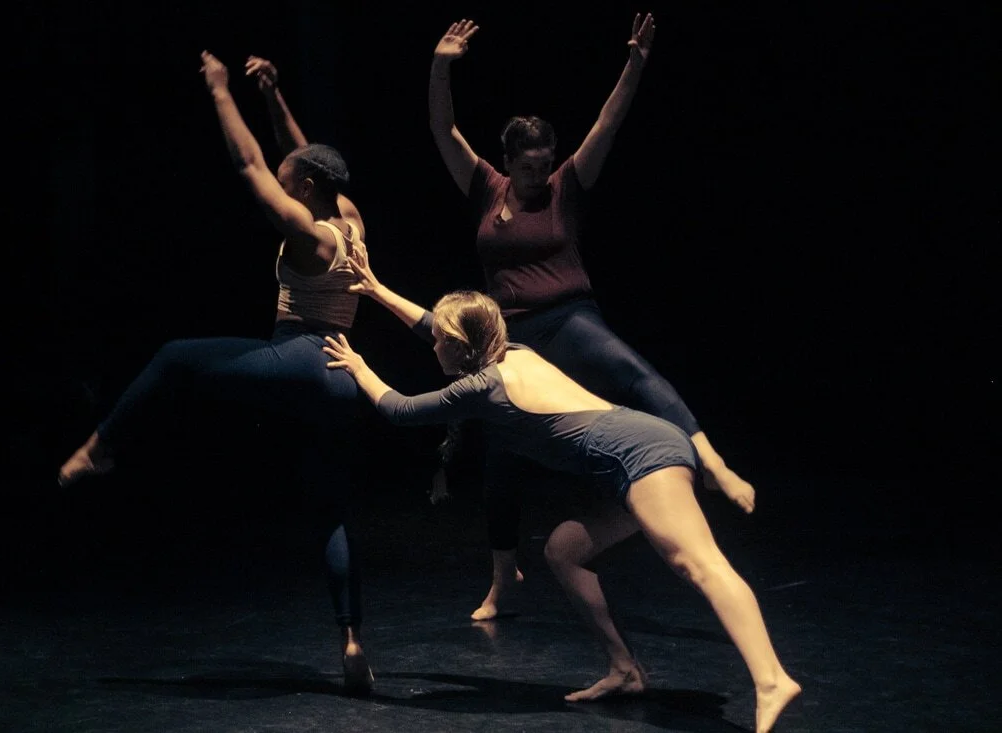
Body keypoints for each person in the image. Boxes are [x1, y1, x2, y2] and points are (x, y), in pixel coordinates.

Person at [321, 245, 800, 732]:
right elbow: (434, 325)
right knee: (565, 550)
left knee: (698, 563)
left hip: (642, 455)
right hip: (636, 451)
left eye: (441, 341)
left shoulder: (483, 387)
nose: (433, 345)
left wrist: (358, 366)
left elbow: (400, 409)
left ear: (461, 345)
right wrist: (377, 290)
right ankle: (625, 669)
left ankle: (771, 679)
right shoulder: (514, 353)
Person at [57, 50, 373, 694]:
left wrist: (222, 91)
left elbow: (250, 164)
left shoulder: (309, 232)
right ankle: (351, 639)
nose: (282, 179)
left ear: (305, 188)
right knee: (330, 509)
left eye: (290, 179)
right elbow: (300, 154)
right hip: (345, 380)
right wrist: (273, 94)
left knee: (176, 356)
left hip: (304, 358)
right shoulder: (350, 220)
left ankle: (100, 447)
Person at [428, 14, 758, 621]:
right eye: (527, 165)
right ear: (508, 160)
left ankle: (712, 462)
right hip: (510, 339)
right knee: (502, 455)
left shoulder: (567, 187)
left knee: (631, 370)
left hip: (569, 319)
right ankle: (503, 580)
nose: (537, 174)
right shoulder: (485, 187)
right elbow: (442, 128)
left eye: (543, 162)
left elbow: (608, 123)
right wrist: (441, 66)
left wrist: (634, 64)